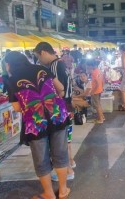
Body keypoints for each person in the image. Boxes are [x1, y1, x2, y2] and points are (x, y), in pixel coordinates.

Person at [5, 51, 70, 199]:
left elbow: (16, 108)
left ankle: (48, 193)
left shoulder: (11, 80)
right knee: (60, 152)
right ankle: (63, 190)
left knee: (41, 157)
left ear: (10, 64)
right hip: (56, 115)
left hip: (35, 121)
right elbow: (60, 88)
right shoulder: (41, 69)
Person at [33, 42, 75, 181]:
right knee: (64, 140)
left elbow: (57, 90)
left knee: (60, 142)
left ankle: (67, 170)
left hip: (61, 107)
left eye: (38, 56)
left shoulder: (55, 65)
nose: (38, 60)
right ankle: (70, 165)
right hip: (66, 106)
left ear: (44, 52)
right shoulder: (59, 63)